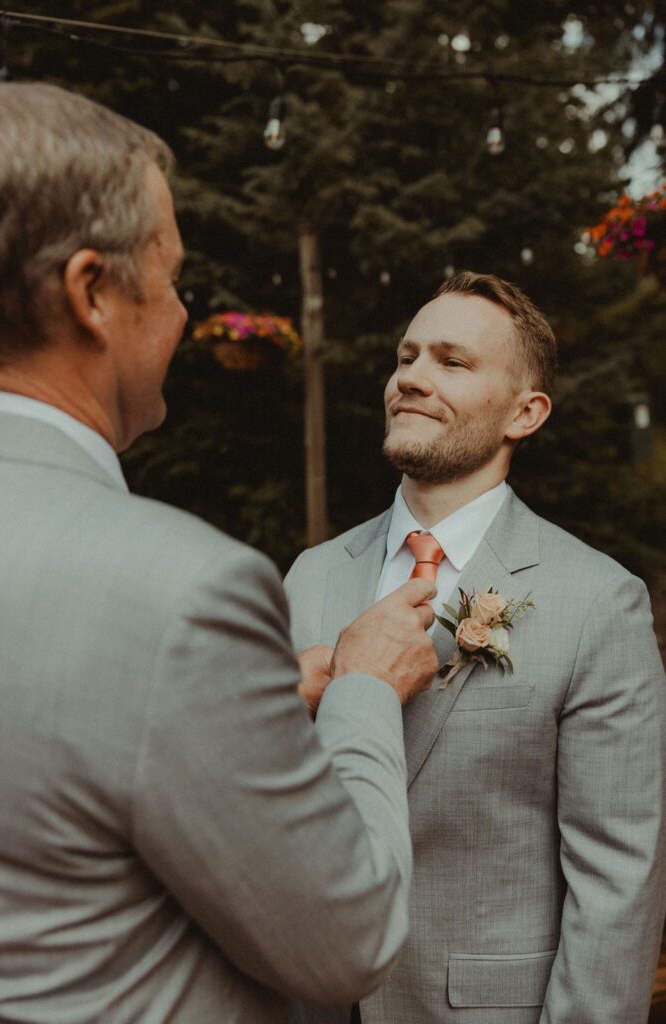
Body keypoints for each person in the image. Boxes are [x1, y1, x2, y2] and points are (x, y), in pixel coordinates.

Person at [0, 81, 442, 1024]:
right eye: (174, 276)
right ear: (93, 293)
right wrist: (360, 689)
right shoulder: (180, 590)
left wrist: (246, 698)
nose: (187, 314)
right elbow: (346, 941)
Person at [286, 271, 666, 1024]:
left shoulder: (597, 600)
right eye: (406, 358)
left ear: (524, 413)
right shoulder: (310, 577)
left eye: (451, 363)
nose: (411, 380)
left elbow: (617, 881)